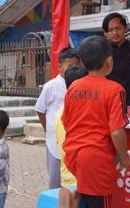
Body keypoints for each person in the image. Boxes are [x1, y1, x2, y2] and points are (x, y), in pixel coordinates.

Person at [62, 35, 130, 208]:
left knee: (84, 199)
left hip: (73, 156)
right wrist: (125, 159)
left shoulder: (74, 87)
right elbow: (116, 131)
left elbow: (66, 122)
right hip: (97, 161)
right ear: (109, 60)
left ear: (83, 64)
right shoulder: (115, 90)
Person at [35, 47, 80, 189]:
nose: (73, 70)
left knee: (73, 180)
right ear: (59, 66)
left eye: (76, 66)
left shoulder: (80, 85)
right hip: (55, 141)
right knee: (55, 181)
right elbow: (40, 110)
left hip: (75, 139)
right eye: (70, 66)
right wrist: (49, 129)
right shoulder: (51, 86)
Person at [55, 65, 89, 208]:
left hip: (66, 173)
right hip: (78, 175)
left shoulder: (60, 111)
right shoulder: (82, 111)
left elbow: (58, 141)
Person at [102, 12, 130, 106]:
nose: (115, 32)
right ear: (105, 33)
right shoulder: (101, 51)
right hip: (107, 102)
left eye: (118, 28)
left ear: (125, 28)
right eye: (111, 30)